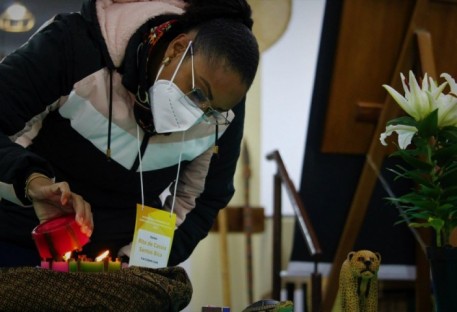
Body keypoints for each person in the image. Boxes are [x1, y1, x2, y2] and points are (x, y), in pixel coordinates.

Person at [0, 0, 259, 267]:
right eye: (197, 92)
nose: (197, 112)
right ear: (177, 48)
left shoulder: (223, 110)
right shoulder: (73, 46)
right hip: (19, 245)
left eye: (211, 110)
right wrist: (33, 181)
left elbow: (204, 199)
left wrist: (136, 261)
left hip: (117, 270)